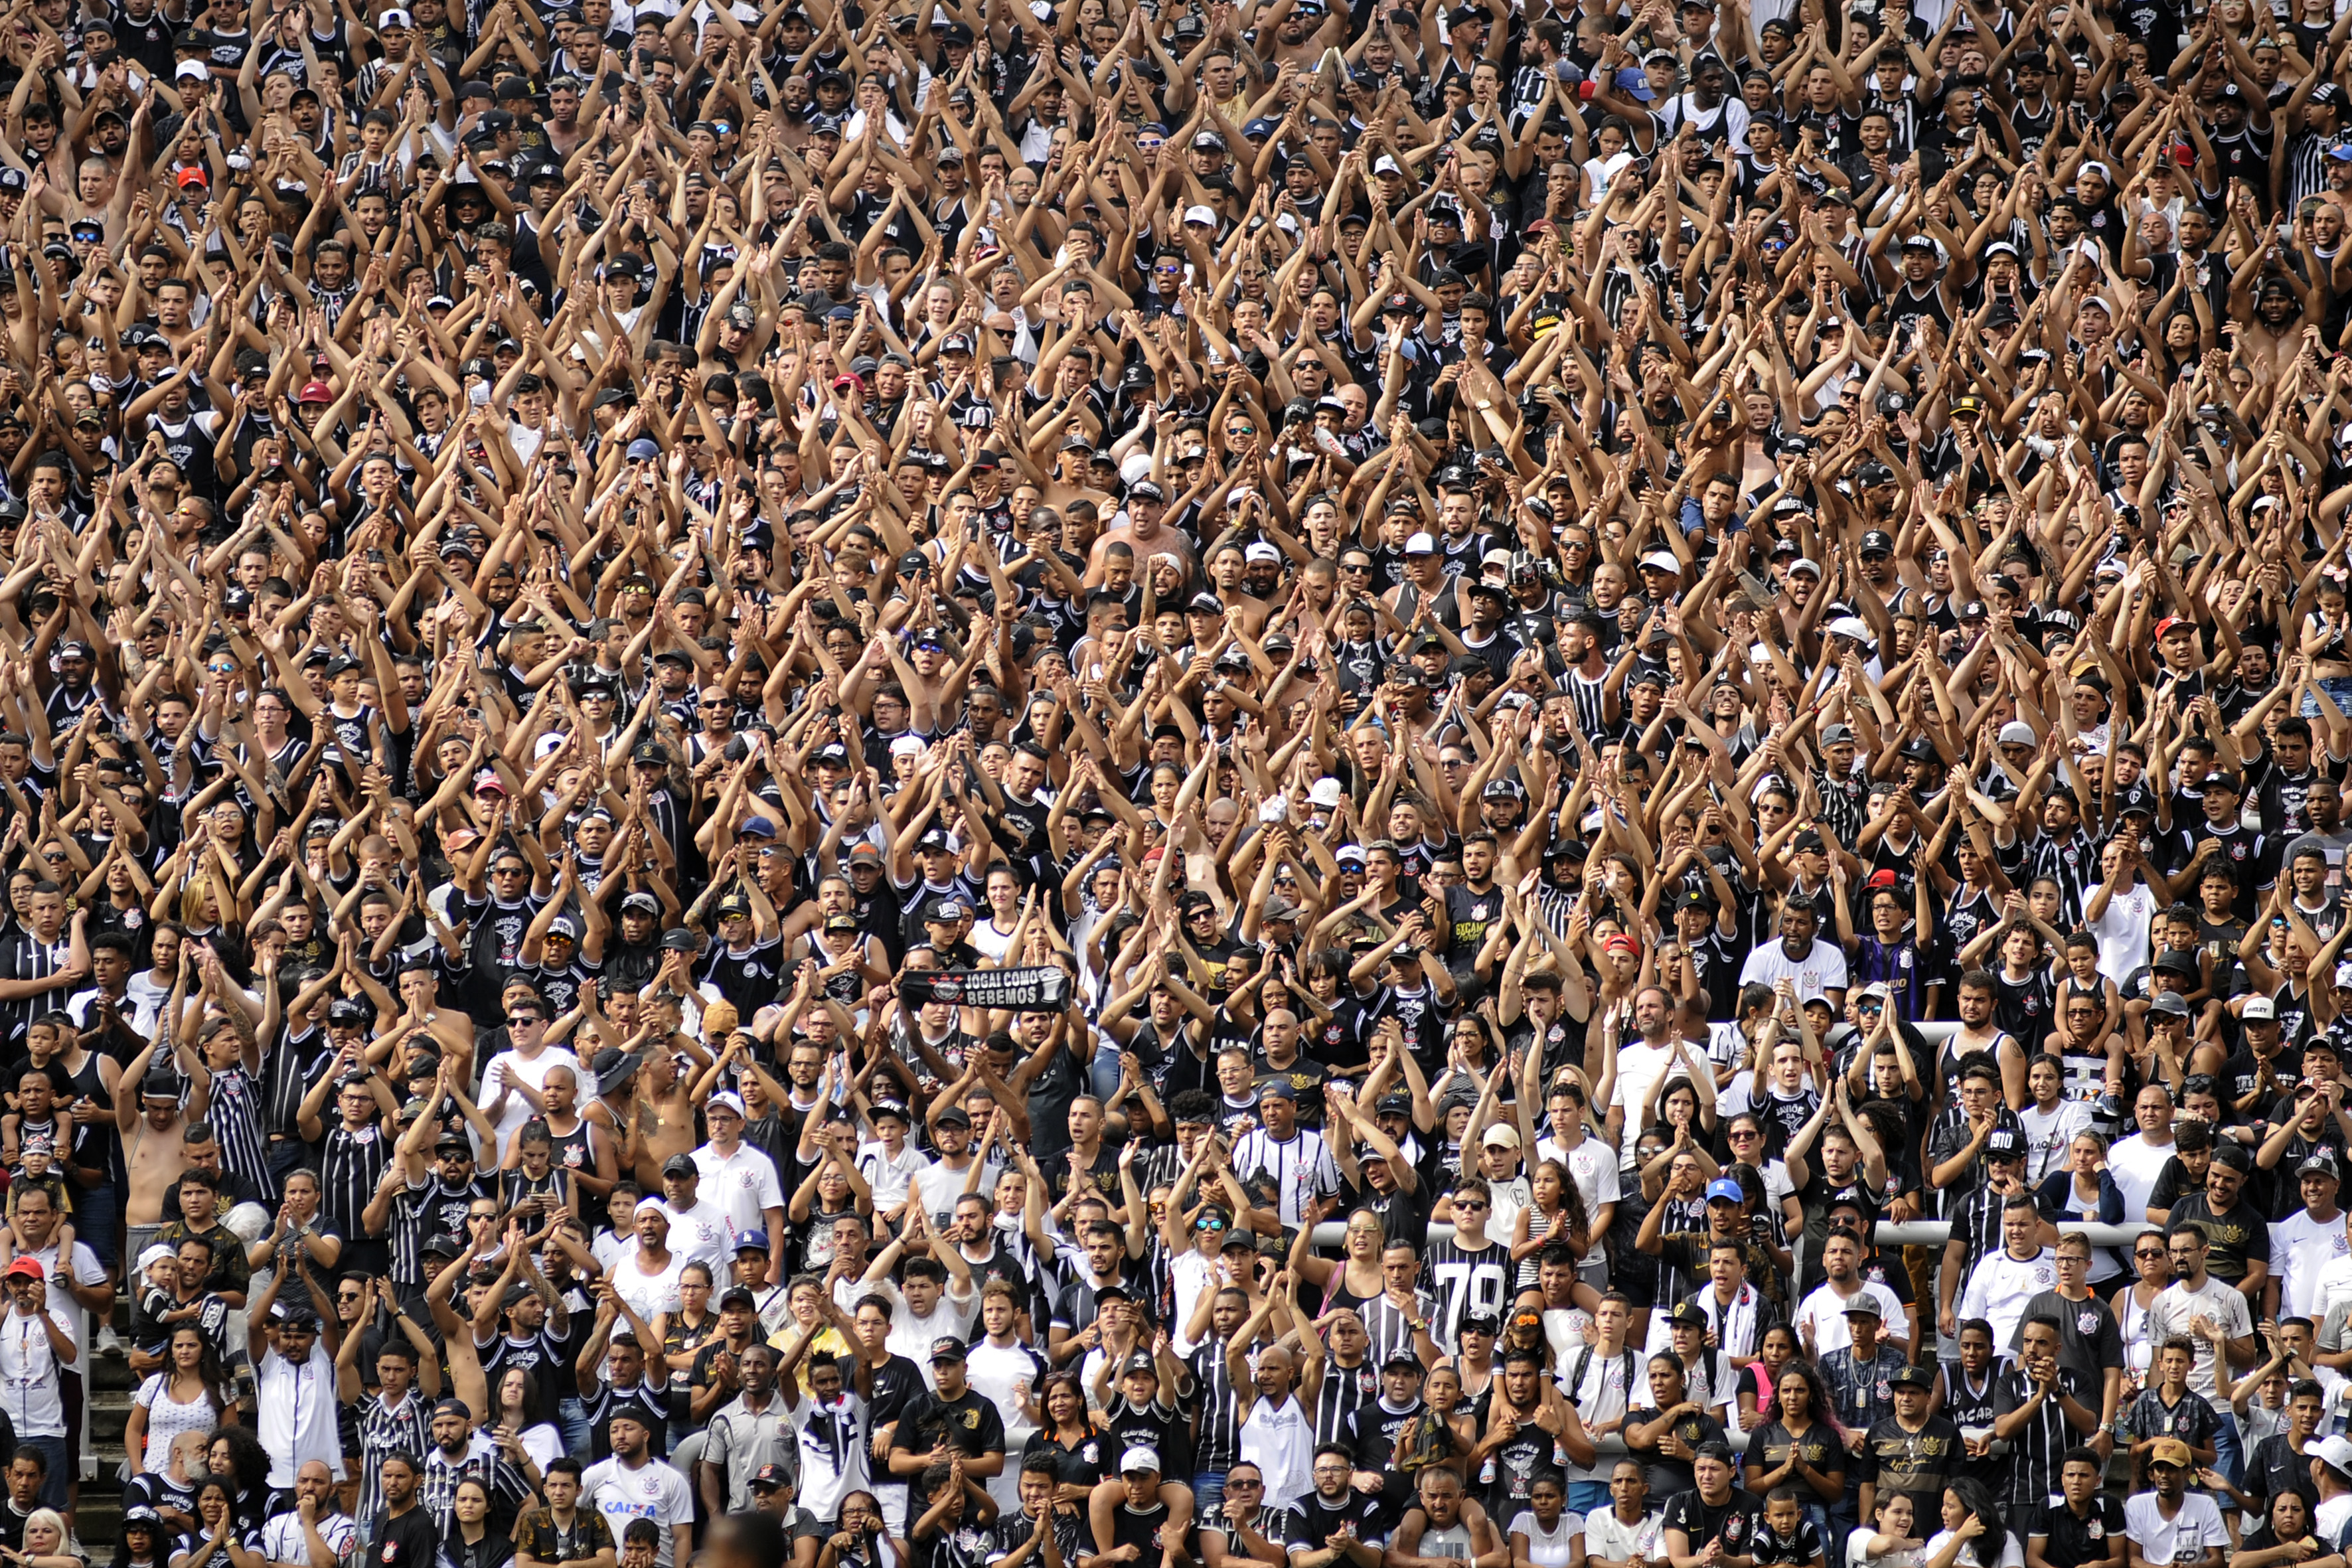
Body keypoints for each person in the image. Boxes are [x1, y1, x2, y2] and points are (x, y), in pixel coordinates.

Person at [2120, 1439, 2227, 1568]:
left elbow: (2217, 1560)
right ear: (2151, 1475)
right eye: (2160, 1469)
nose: (2164, 1475)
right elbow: (2133, 1560)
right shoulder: (2137, 1505)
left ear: (2187, 1474)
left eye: (2172, 1469)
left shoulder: (2206, 1505)